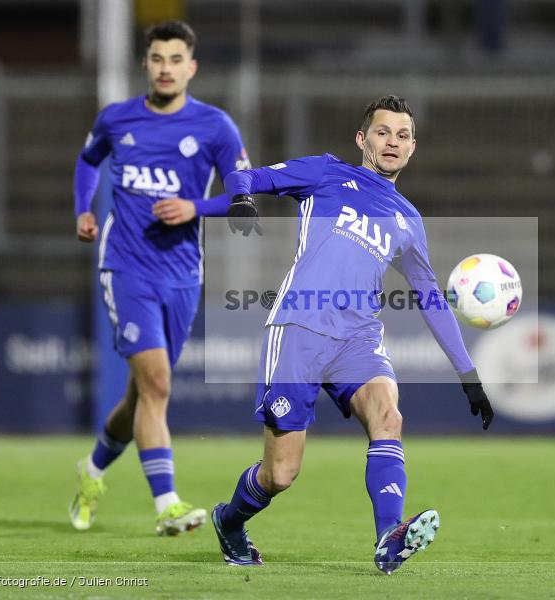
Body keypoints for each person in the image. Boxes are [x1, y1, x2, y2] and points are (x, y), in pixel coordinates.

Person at [212, 95, 494, 573]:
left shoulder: (408, 219)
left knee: (388, 417)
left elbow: (428, 295)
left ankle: (389, 536)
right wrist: (241, 198)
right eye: (383, 133)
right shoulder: (324, 173)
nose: (392, 142)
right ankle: (230, 521)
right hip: (299, 328)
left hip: (358, 338)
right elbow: (249, 175)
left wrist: (468, 373)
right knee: (281, 474)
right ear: (363, 140)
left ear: (412, 149)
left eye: (402, 136)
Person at [69, 20, 251, 535]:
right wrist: (84, 208)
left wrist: (195, 206)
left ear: (191, 68)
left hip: (182, 275)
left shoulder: (216, 127)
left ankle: (94, 469)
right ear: (145, 65)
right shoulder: (116, 118)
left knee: (141, 395)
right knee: (158, 384)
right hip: (126, 267)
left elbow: (243, 197)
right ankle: (167, 503)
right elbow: (88, 162)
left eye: (176, 59)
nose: (166, 68)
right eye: (157, 58)